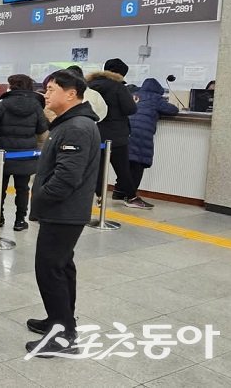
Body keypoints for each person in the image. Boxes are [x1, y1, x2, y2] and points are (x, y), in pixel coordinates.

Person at [26, 70, 101, 357]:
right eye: (46, 88)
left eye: (52, 89)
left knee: (50, 270)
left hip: (63, 211)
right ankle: (60, 320)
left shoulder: (76, 128)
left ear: (72, 93)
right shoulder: (71, 123)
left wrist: (42, 197)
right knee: (62, 267)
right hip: (64, 210)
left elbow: (67, 176)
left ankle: (63, 337)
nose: (47, 93)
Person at [0, 74, 48, 231]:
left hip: (3, 151)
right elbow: (42, 128)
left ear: (12, 86)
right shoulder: (36, 106)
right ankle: (20, 220)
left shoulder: (4, 104)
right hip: (26, 152)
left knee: (0, 186)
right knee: (23, 188)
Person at [86, 58, 140, 207]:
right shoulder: (118, 87)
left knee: (97, 167)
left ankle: (98, 197)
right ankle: (131, 197)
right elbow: (130, 109)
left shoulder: (89, 85)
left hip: (93, 132)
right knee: (122, 168)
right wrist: (133, 102)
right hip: (116, 134)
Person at [127, 78, 179, 205]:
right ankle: (131, 197)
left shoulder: (133, 95)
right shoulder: (156, 98)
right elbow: (173, 110)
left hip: (126, 131)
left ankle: (120, 191)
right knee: (139, 164)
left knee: (126, 164)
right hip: (142, 134)